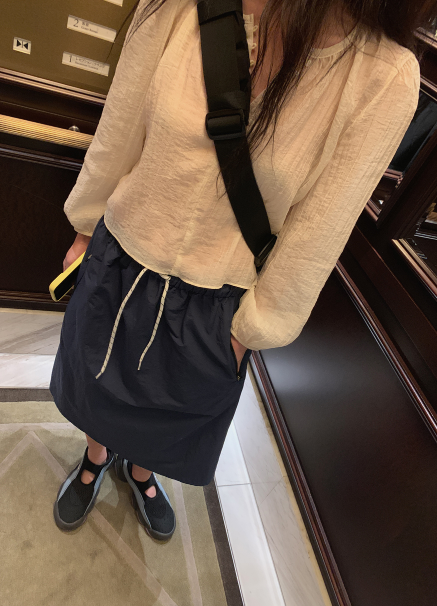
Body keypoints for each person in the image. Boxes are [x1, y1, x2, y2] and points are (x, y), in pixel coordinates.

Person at [49, 0, 434, 541]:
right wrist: (85, 227)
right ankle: (95, 457)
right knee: (94, 387)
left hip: (216, 301)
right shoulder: (179, 6)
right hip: (121, 256)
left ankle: (141, 471)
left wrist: (250, 331)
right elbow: (121, 126)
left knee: (163, 419)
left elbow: (319, 231)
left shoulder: (384, 76)